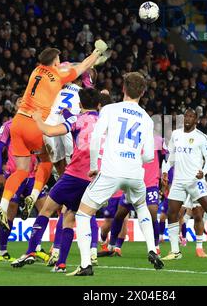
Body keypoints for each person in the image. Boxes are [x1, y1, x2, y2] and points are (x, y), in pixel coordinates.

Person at [0, 42, 109, 231]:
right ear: (55, 62)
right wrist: (96, 53)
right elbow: (80, 67)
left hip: (17, 122)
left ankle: (2, 206)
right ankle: (35, 194)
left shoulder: (36, 71)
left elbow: (70, 67)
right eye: (59, 60)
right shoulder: (58, 76)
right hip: (35, 124)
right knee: (46, 162)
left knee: (21, 171)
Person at [70, 72, 163, 276]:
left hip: (112, 171)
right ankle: (151, 248)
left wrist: (94, 166)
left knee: (83, 214)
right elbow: (148, 155)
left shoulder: (110, 110)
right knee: (141, 207)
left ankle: (86, 265)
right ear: (143, 92)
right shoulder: (147, 119)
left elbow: (95, 139)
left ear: (123, 89)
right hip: (135, 173)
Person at [11, 88, 101, 273]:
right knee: (69, 218)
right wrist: (65, 111)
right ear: (98, 104)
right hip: (93, 179)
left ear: (80, 104)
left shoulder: (77, 120)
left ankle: (30, 252)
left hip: (73, 175)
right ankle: (61, 264)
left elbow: (51, 131)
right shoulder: (103, 122)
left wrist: (37, 119)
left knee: (46, 209)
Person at [161, 108, 207, 261]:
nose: (187, 118)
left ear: (196, 120)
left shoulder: (201, 137)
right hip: (179, 181)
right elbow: (171, 157)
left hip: (196, 180)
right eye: (186, 116)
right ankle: (175, 251)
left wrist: (204, 171)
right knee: (172, 213)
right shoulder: (176, 135)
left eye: (191, 116)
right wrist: (165, 170)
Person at [0, 97, 49, 262]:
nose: (22, 101)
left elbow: (41, 150)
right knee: (9, 214)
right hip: (15, 175)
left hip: (32, 176)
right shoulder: (10, 125)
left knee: (45, 208)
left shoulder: (37, 125)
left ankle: (36, 247)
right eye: (18, 100)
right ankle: (2, 252)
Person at [104, 133, 167, 257]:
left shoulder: (158, 139)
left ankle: (155, 246)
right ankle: (113, 245)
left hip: (150, 183)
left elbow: (165, 159)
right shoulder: (129, 139)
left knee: (153, 211)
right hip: (133, 181)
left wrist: (164, 172)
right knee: (120, 213)